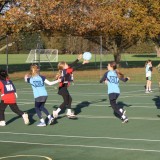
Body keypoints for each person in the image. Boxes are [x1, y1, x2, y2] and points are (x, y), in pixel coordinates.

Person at [53, 54, 88, 119]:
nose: (67, 65)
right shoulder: (66, 71)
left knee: (69, 99)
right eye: (66, 64)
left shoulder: (65, 69)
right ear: (63, 67)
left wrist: (78, 59)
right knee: (66, 101)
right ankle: (56, 112)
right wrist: (83, 63)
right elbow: (74, 68)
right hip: (62, 88)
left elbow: (72, 64)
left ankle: (68, 112)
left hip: (63, 88)